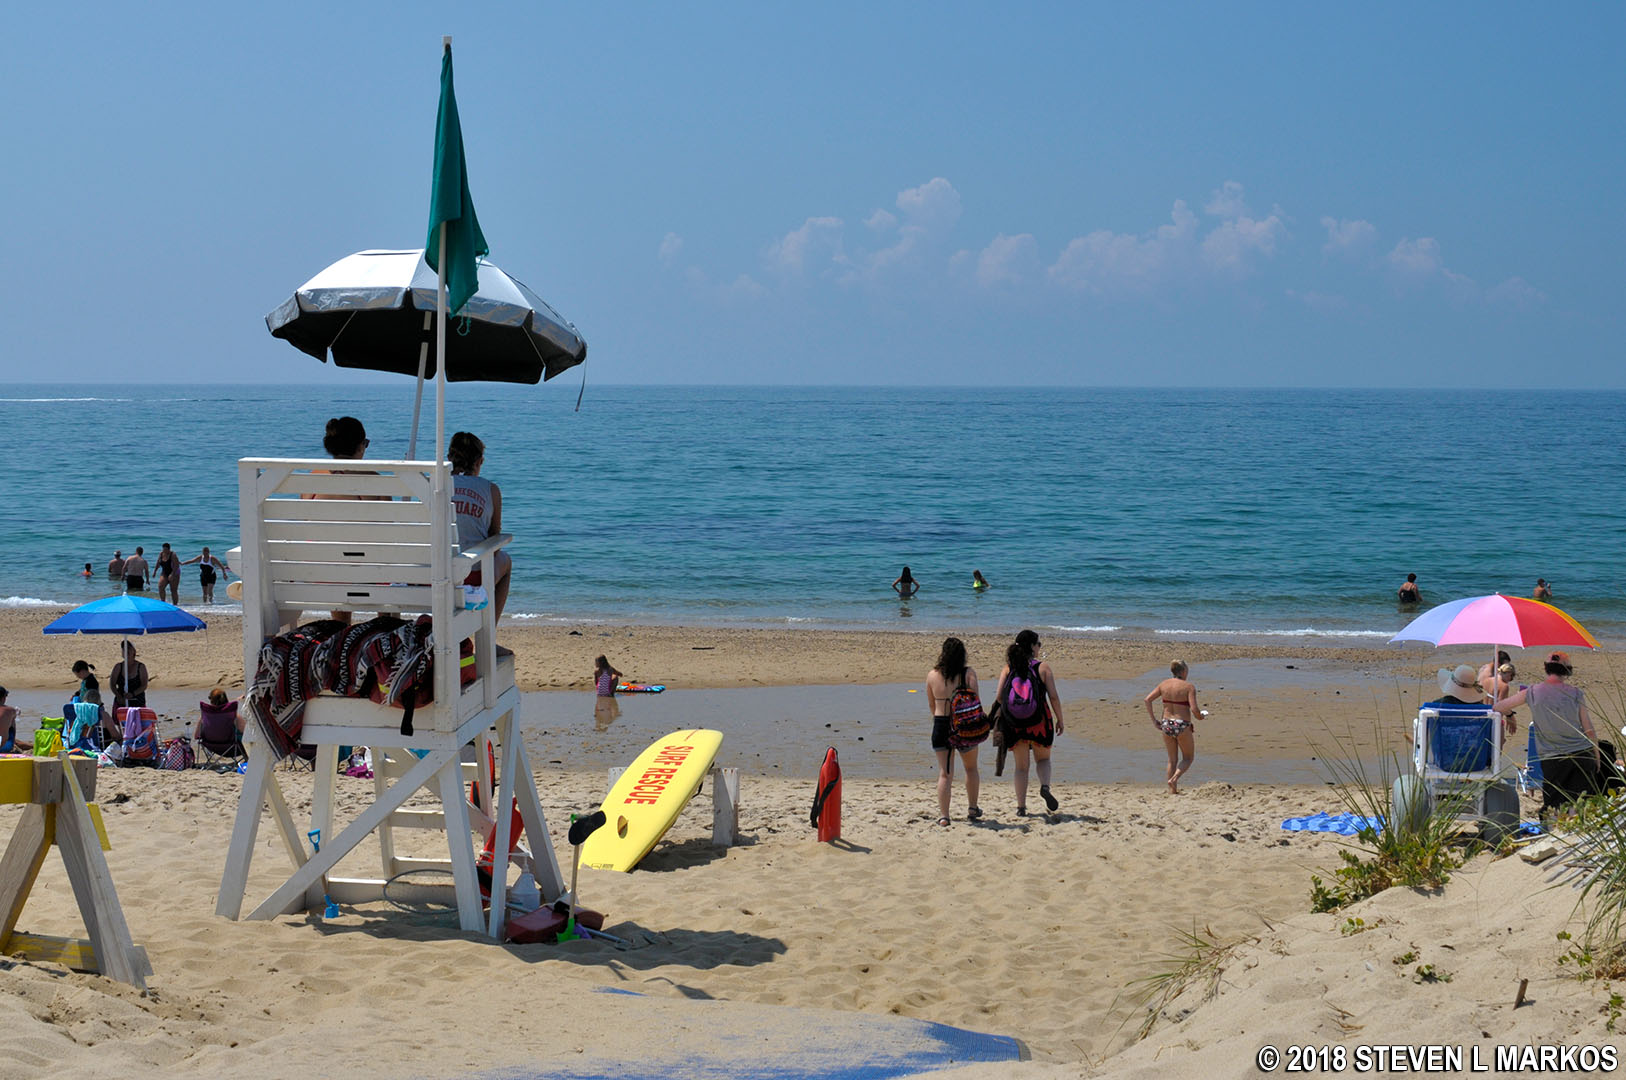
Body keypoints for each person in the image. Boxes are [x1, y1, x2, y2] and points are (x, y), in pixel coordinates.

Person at [1492, 652, 1600, 814]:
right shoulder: (1576, 693)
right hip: (1581, 753)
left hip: (1552, 757)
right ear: (1567, 670)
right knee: (1580, 806)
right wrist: (1597, 756)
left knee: (1554, 807)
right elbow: (1589, 730)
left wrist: (1510, 715)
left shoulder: (1532, 692)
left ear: (1546, 668)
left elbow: (1498, 707)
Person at [994, 629, 1064, 817]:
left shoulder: (1008, 668)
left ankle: (1021, 808)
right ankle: (1045, 786)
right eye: (1038, 644)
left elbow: (999, 696)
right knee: (1043, 759)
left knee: (1021, 767)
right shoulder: (1043, 667)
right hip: (1040, 721)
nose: (1039, 647)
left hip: (1015, 723)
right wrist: (1060, 719)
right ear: (1032, 646)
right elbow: (1054, 697)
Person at [448, 432, 511, 620]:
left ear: (449, 458)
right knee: (505, 561)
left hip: (433, 575)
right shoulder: (490, 490)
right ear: (479, 462)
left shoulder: (433, 486)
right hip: (472, 577)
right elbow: (494, 538)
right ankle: (489, 631)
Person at [926, 636, 985, 826]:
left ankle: (944, 816)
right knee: (971, 768)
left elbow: (931, 704)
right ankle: (972, 808)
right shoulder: (967, 674)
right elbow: (975, 700)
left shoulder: (932, 675)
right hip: (963, 725)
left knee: (945, 773)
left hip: (941, 723)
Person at [1144, 660, 1202, 794]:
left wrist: (1154, 721)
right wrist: (1200, 717)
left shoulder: (1164, 684)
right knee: (1188, 758)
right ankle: (1174, 779)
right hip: (1182, 724)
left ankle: (1172, 791)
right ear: (1183, 671)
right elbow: (1194, 709)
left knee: (1172, 760)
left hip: (1166, 723)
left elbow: (1147, 700)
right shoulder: (1189, 687)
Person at [110, 642, 149, 718]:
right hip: (121, 703)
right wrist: (119, 696)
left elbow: (144, 685)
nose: (126, 651)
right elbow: (112, 684)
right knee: (120, 723)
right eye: (124, 649)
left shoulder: (141, 667)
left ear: (134, 651)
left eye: (129, 648)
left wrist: (132, 694)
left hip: (138, 702)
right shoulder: (118, 667)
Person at [0, 686, 16, 754]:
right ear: (3, 698)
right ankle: (11, 744)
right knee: (11, 722)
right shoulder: (10, 710)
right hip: (3, 747)